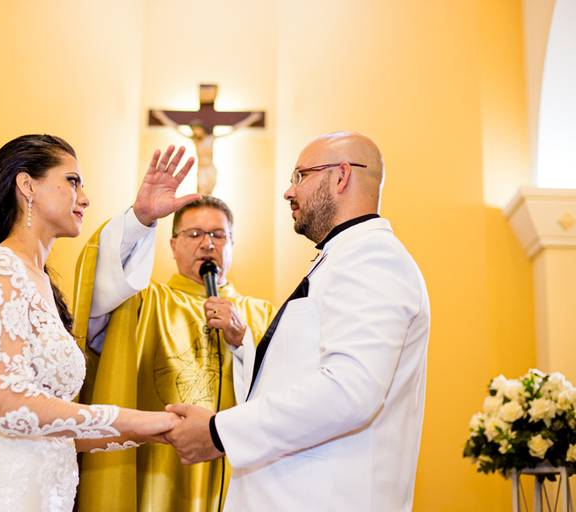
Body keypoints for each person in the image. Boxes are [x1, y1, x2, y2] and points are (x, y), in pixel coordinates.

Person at [165, 131, 431, 511]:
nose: (289, 192)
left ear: (341, 176)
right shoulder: (343, 257)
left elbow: (349, 389)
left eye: (300, 176)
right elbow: (295, 376)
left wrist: (218, 432)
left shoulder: (372, 258)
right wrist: (242, 346)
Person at [0, 135, 199, 511]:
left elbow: (58, 435)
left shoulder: (45, 286)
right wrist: (139, 420)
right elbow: (9, 407)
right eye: (72, 181)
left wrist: (158, 429)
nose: (84, 198)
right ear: (27, 185)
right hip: (5, 497)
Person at [74, 196, 274, 511]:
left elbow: (282, 401)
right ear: (173, 244)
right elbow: (104, 283)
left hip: (237, 476)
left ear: (232, 244)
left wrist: (242, 340)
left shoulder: (263, 315)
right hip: (160, 470)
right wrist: (140, 218)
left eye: (218, 235)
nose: (208, 244)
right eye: (194, 234)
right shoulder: (146, 302)